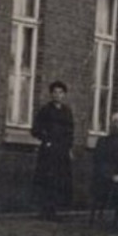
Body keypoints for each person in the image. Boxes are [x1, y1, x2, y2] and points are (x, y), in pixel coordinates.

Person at [30, 81, 75, 220]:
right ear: (51, 94)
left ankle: (54, 210)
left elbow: (70, 131)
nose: (58, 95)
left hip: (61, 152)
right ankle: (45, 211)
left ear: (64, 95)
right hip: (49, 152)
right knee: (47, 179)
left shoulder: (67, 112)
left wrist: (69, 148)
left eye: (60, 92)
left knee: (59, 180)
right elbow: (35, 129)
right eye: (55, 92)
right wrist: (47, 140)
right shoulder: (45, 110)